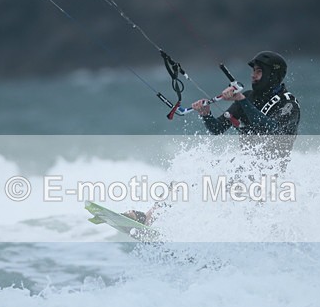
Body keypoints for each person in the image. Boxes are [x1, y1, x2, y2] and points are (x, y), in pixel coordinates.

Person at [124, 51, 300, 225]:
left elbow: (272, 131)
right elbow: (217, 128)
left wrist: (241, 100)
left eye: (259, 71)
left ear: (272, 74)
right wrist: (206, 114)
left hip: (268, 179)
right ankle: (149, 218)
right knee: (192, 173)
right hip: (243, 169)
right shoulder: (249, 97)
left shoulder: (288, 104)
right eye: (253, 71)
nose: (253, 76)